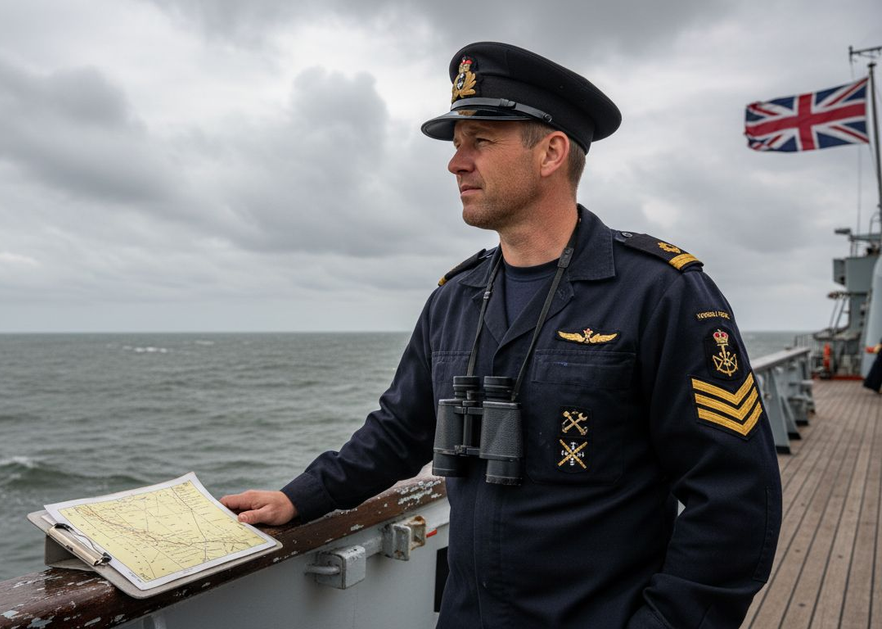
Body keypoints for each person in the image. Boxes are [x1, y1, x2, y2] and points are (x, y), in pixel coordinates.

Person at [222, 42, 782, 628]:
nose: (455, 163)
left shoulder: (660, 294)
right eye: (457, 147)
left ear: (550, 153)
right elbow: (399, 429)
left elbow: (736, 499)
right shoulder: (454, 298)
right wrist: (299, 497)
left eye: (480, 143)